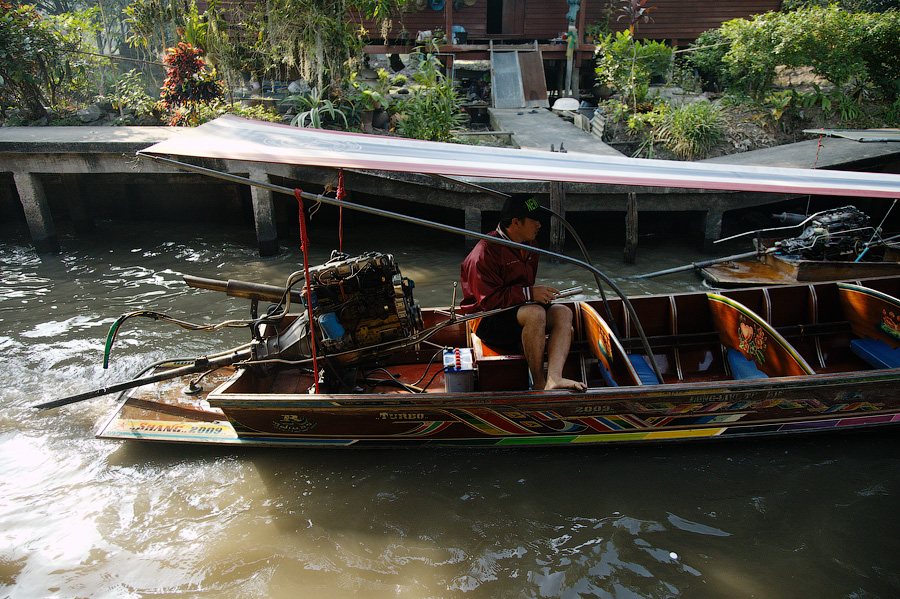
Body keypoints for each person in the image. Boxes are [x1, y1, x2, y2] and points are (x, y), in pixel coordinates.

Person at [460, 194, 586, 391]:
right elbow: (489, 301)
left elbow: (524, 290)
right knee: (535, 314)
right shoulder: (484, 252)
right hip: (487, 318)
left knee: (563, 312)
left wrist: (534, 295)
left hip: (517, 309)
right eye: (534, 220)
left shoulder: (530, 245)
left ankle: (554, 377)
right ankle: (539, 383)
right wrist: (529, 294)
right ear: (516, 222)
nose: (539, 225)